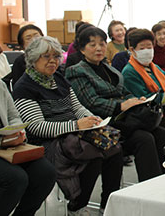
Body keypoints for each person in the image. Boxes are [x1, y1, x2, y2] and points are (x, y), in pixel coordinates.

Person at [12, 36, 123, 215]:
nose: (53, 61)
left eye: (56, 57)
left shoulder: (58, 78)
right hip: (47, 142)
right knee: (93, 153)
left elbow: (76, 107)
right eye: (46, 56)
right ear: (33, 59)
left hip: (73, 133)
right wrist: (76, 125)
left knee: (113, 148)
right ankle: (77, 205)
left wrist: (92, 119)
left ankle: (107, 204)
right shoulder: (24, 87)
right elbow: (37, 127)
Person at [0, 32, 56, 216]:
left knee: (45, 172)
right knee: (15, 178)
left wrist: (16, 132)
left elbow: (13, 115)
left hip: (2, 146)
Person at [65, 27, 165, 181]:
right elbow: (91, 102)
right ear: (82, 49)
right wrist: (121, 105)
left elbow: (123, 92)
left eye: (102, 44)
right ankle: (150, 186)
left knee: (161, 133)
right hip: (100, 124)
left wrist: (135, 100)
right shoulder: (77, 71)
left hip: (121, 120)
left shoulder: (109, 69)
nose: (99, 48)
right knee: (144, 138)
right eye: (92, 45)